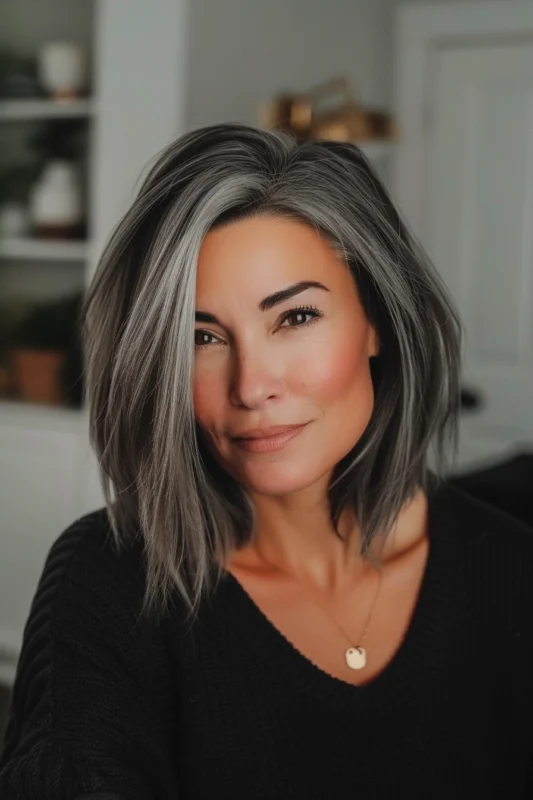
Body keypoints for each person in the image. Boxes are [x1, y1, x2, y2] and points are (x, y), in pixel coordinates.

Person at [0, 123, 532, 799]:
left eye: (295, 318)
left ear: (375, 320)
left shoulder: (515, 575)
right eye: (203, 336)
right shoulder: (108, 581)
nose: (251, 386)